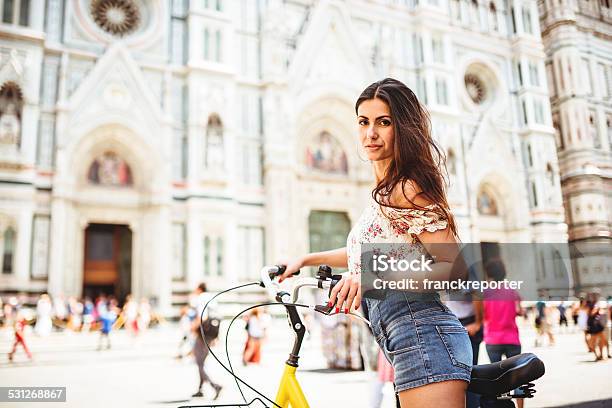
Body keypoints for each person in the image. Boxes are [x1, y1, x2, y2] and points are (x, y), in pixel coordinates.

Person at [279, 78, 471, 408]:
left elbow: (452, 268)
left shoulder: (408, 188)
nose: (371, 133)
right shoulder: (382, 193)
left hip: (425, 339)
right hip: (405, 341)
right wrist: (306, 259)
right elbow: (359, 256)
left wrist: (371, 276)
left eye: (384, 122)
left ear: (404, 128)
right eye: (363, 122)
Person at [482, 259, 524, 408]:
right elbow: (520, 311)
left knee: (498, 377)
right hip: (512, 338)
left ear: (488, 274)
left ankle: (503, 405)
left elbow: (482, 316)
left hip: (493, 340)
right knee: (518, 375)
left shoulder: (485, 292)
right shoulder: (512, 291)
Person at [191, 282, 222, 399]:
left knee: (199, 362)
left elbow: (202, 317)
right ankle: (200, 389)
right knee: (201, 361)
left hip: (203, 332)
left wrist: (193, 327)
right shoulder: (213, 298)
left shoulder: (200, 298)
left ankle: (215, 385)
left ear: (199, 289)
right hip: (212, 332)